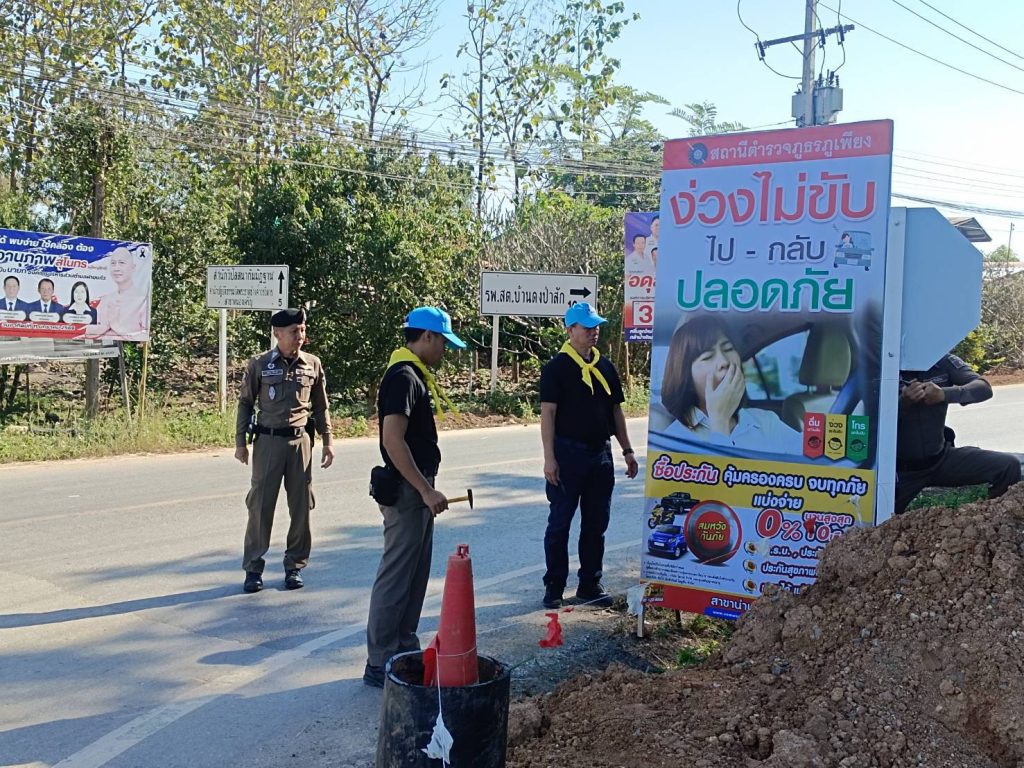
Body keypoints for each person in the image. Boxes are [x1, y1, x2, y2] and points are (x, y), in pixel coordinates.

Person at [363, 306, 465, 688]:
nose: (444, 350)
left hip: (416, 489)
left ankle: (403, 651)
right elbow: (393, 440)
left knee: (414, 577)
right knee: (396, 578)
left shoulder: (413, 374)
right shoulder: (403, 377)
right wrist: (424, 489)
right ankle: (380, 661)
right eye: (443, 342)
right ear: (427, 337)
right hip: (408, 491)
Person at [540, 302, 639, 610]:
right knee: (560, 524)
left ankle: (589, 584)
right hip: (567, 454)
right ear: (570, 330)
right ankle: (554, 586)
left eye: (596, 326)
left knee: (596, 523)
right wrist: (549, 458)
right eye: (587, 327)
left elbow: (615, 411)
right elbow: (548, 414)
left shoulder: (605, 366)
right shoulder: (556, 369)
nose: (594, 332)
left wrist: (627, 450)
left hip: (600, 455)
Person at [235, 308, 334, 594]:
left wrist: (328, 440)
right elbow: (245, 403)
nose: (300, 336)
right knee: (260, 506)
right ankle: (253, 568)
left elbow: (321, 406)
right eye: (294, 331)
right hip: (268, 442)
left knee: (301, 506)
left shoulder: (312, 364)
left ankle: (295, 565)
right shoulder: (260, 364)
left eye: (302, 330)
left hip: (300, 442)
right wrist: (240, 442)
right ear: (277, 334)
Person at [895, 353, 1020, 515]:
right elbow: (870, 417)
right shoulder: (882, 364)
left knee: (1008, 466)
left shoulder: (942, 360)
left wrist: (944, 394)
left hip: (941, 459)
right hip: (901, 471)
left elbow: (983, 388)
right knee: (876, 520)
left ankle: (994, 521)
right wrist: (903, 402)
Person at [660, 315, 801, 453]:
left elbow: (810, 457)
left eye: (728, 349)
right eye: (707, 357)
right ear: (687, 379)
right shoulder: (671, 439)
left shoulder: (766, 422)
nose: (724, 361)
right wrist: (720, 421)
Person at [85, 246, 150, 340]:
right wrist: (106, 325)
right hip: (102, 348)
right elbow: (88, 332)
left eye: (121, 263)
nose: (116, 268)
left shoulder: (142, 300)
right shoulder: (106, 299)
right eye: (113, 263)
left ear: (133, 268)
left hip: (127, 347)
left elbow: (145, 335)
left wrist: (118, 328)